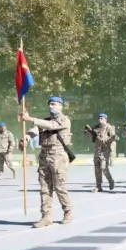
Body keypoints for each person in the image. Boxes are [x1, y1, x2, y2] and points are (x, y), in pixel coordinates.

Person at [20, 96, 73, 228]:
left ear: (61, 106)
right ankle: (46, 216)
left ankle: (68, 212)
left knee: (59, 187)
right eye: (49, 104)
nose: (51, 106)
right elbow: (35, 129)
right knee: (44, 188)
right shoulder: (44, 121)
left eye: (54, 104)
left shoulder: (64, 120)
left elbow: (51, 126)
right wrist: (26, 137)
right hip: (44, 156)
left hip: (58, 156)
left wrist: (30, 118)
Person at [87, 113, 115, 192]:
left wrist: (105, 141)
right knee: (97, 169)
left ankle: (110, 180)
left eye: (102, 118)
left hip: (105, 150)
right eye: (99, 118)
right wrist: (89, 133)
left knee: (103, 167)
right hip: (97, 150)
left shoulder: (109, 127)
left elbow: (113, 137)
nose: (100, 119)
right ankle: (98, 186)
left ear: (106, 119)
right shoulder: (95, 127)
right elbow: (90, 134)